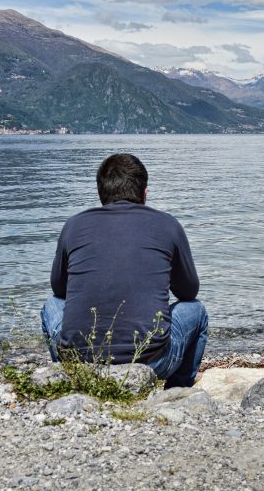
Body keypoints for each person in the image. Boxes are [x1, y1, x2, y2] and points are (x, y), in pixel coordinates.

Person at [40, 153, 208, 388]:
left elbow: (59, 290)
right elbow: (188, 292)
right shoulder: (168, 224)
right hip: (153, 362)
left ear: (101, 194)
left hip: (79, 361)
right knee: (196, 310)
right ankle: (177, 390)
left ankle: (72, 380)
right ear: (144, 193)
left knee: (51, 305)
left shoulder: (73, 225)